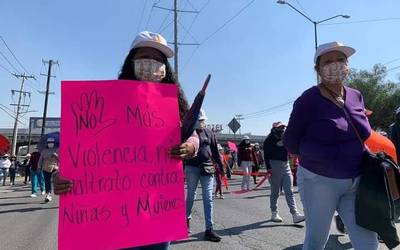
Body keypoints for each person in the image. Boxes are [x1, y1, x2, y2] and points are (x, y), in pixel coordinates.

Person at [53, 31, 199, 250]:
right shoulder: (107, 98)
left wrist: (189, 147)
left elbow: (192, 134)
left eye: (158, 59)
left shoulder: (172, 101)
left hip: (158, 206)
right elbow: (80, 146)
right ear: (131, 62)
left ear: (165, 67)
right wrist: (61, 175)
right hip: (116, 209)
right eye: (144, 57)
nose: (151, 63)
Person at [283, 41, 378, 249]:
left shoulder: (356, 95)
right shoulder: (308, 100)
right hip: (320, 181)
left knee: (368, 241)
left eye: (341, 59)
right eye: (328, 61)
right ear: (318, 69)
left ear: (348, 64)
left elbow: (362, 131)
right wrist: (324, 155)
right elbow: (290, 142)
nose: (335, 65)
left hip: (356, 180)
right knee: (317, 240)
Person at [185, 109, 224, 242]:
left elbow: (215, 151)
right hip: (191, 168)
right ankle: (186, 221)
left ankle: (209, 229)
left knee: (208, 198)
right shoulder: (188, 132)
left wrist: (221, 166)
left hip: (207, 169)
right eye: (198, 120)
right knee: (191, 195)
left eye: (202, 120)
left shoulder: (209, 133)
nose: (200, 123)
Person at [263, 122, 305, 223]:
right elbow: (266, 156)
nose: (282, 129)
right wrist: (268, 168)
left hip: (285, 165)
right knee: (275, 191)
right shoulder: (268, 140)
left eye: (283, 128)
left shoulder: (286, 139)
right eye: (279, 128)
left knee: (289, 191)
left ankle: (295, 214)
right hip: (274, 165)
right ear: (274, 129)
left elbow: (291, 150)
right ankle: (274, 213)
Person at [38, 137, 59, 202]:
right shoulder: (44, 151)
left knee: (55, 181)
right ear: (47, 143)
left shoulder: (57, 150)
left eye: (52, 143)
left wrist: (57, 156)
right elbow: (40, 160)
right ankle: (48, 194)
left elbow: (62, 159)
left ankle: (57, 191)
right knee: (47, 181)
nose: (50, 144)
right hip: (45, 168)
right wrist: (39, 167)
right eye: (49, 143)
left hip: (54, 167)